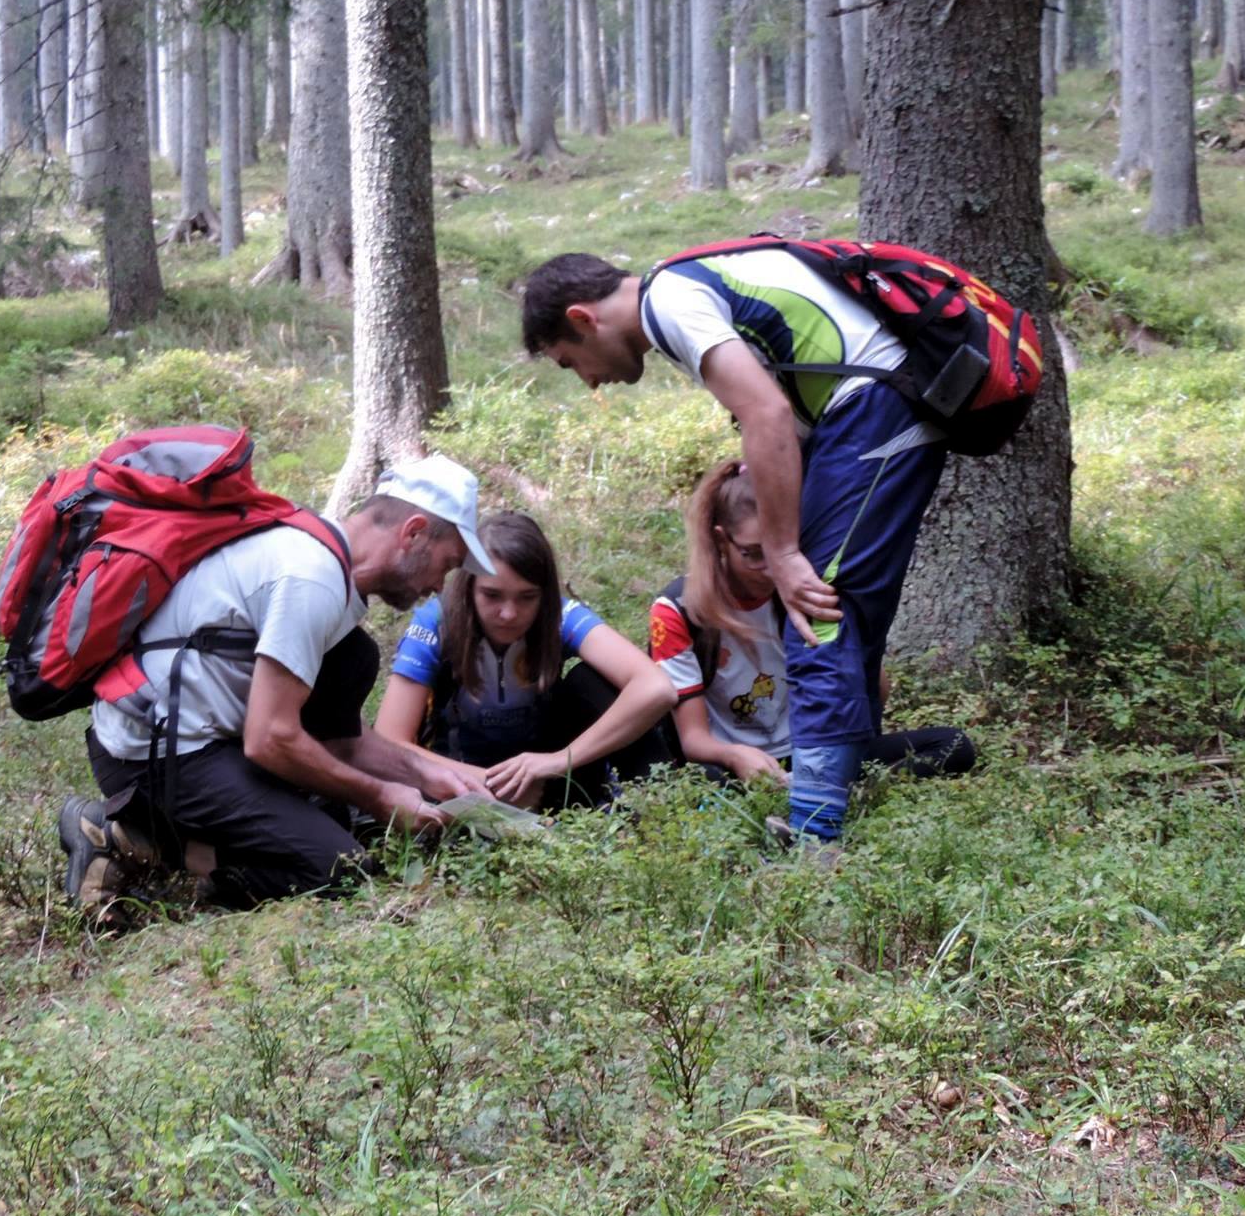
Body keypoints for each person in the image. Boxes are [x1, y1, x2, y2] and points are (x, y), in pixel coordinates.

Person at [522, 247, 950, 846]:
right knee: (842, 618)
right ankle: (839, 793)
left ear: (583, 318)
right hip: (865, 408)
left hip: (874, 406)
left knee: (814, 620)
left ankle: (814, 834)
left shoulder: (669, 301)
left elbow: (767, 414)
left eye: (572, 364)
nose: (591, 381)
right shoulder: (680, 292)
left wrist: (780, 553)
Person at [56, 456, 496, 918]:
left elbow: (343, 741)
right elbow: (270, 739)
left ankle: (193, 839)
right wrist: (380, 795)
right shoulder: (311, 579)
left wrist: (426, 774)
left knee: (355, 659)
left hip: (203, 741)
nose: (437, 586)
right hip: (156, 757)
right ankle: (126, 838)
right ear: (413, 532)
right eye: (446, 565)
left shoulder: (316, 549)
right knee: (339, 869)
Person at [651, 458, 975, 788]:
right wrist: (736, 756)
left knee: (952, 745)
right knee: (700, 782)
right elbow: (693, 740)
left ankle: (845, 791)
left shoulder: (808, 585)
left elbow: (876, 687)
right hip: (732, 762)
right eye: (754, 553)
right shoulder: (677, 609)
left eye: (781, 548)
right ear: (721, 540)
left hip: (812, 747)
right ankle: (829, 793)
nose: (771, 567)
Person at [375, 510, 676, 809]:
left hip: (546, 778)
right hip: (454, 782)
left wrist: (560, 760)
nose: (509, 613)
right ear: (468, 588)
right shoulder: (435, 623)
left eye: (527, 597)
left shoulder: (559, 615)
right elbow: (388, 739)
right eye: (492, 595)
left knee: (592, 681)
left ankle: (659, 811)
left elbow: (656, 688)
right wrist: (488, 784)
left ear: (544, 596)